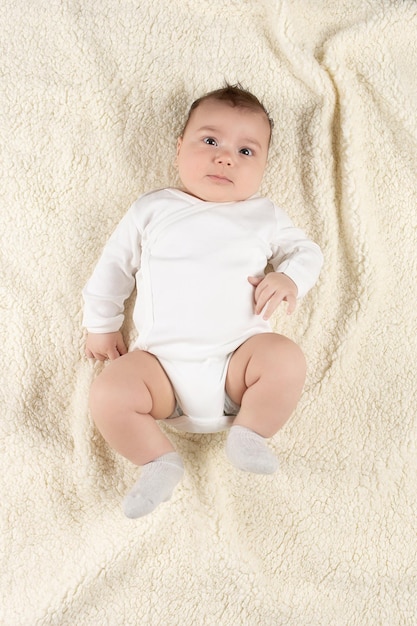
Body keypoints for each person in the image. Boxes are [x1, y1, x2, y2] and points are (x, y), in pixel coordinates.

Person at [82, 84, 323, 519]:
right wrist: (101, 322)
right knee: (108, 392)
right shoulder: (153, 209)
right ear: (179, 148)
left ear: (264, 167)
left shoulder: (263, 215)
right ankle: (158, 462)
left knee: (285, 358)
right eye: (210, 141)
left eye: (246, 151)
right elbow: (113, 267)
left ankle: (251, 433)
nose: (225, 156)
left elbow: (307, 252)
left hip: (238, 364)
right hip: (160, 371)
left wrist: (290, 277)